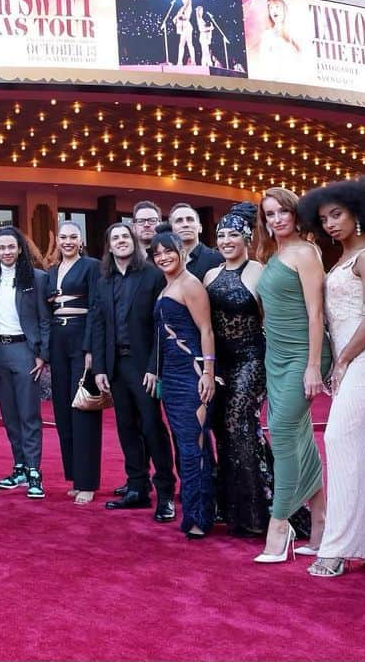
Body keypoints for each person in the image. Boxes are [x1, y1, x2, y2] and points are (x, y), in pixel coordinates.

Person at [296, 178, 365, 577]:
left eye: (337, 215)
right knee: (363, 448)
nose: (331, 224)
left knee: (338, 437)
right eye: (324, 219)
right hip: (352, 359)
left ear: (358, 212)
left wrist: (342, 360)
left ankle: (338, 545)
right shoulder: (341, 258)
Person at [253, 187, 331, 563]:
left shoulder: (305, 252)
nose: (277, 219)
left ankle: (280, 523)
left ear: (296, 214)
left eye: (283, 211)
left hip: (304, 355)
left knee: (281, 431)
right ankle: (320, 524)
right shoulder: (274, 254)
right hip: (277, 356)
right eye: (270, 214)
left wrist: (314, 365)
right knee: (298, 437)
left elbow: (316, 314)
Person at [91, 222, 176, 522]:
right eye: (115, 238)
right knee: (126, 427)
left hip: (145, 366)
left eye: (125, 236)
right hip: (115, 366)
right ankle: (137, 487)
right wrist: (99, 367)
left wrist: (155, 367)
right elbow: (98, 324)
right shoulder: (103, 280)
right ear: (109, 246)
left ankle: (165, 492)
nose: (121, 241)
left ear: (134, 241)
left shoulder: (152, 276)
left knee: (152, 426)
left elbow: (161, 325)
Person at [203, 203, 274, 537]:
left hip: (251, 359)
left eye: (233, 234)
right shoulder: (210, 275)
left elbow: (270, 320)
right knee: (221, 427)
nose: (227, 240)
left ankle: (256, 513)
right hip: (221, 363)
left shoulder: (259, 270)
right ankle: (230, 507)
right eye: (221, 235)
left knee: (239, 424)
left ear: (246, 237)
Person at [151, 231, 217, 538]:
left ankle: (198, 517)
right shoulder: (168, 286)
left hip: (192, 374)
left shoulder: (190, 284)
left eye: (168, 252)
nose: (163, 258)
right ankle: (199, 511)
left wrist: (207, 373)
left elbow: (206, 330)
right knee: (187, 445)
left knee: (194, 447)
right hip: (172, 378)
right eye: (157, 254)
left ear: (181, 251)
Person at [0, 226, 51, 499]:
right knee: (10, 416)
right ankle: (20, 467)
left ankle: (35, 471)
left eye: (11, 247)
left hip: (25, 350)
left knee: (29, 414)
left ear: (20, 249)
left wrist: (42, 355)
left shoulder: (37, 279)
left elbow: (46, 321)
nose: (7, 252)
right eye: (2, 248)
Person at [47, 220, 104, 505]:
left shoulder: (92, 266)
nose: (68, 241)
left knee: (83, 408)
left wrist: (92, 348)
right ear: (56, 240)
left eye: (73, 237)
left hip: (82, 338)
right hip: (58, 339)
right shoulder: (52, 271)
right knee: (62, 409)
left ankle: (87, 481)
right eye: (63, 237)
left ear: (80, 241)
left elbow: (96, 307)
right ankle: (74, 475)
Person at [169, 202, 223, 280]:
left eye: (190, 219)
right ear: (171, 230)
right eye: (179, 221)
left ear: (200, 228)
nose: (185, 224)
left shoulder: (217, 259)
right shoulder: (166, 261)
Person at [174, 0, 195, 66]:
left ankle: (193, 61)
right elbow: (177, 16)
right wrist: (175, 19)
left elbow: (187, 17)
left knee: (189, 44)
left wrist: (180, 17)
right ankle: (179, 61)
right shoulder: (182, 8)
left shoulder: (189, 7)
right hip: (182, 28)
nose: (183, 0)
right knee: (181, 45)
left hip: (187, 27)